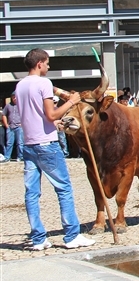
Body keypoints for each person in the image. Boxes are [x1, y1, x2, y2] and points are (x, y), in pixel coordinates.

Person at [15, 48, 95, 250]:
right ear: (39, 63)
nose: (49, 67)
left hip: (29, 144)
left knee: (32, 193)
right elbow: (50, 114)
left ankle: (38, 239)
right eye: (48, 63)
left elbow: (38, 116)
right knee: (64, 189)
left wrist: (56, 123)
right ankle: (71, 236)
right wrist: (71, 102)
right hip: (47, 145)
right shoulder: (44, 83)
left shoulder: (20, 86)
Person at [2, 91, 23, 162]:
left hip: (19, 126)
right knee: (9, 143)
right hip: (10, 127)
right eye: (13, 97)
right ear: (11, 97)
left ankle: (20, 156)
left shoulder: (22, 105)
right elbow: (4, 114)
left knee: (20, 142)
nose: (15, 98)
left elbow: (27, 115)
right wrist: (6, 124)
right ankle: (7, 157)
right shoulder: (8, 105)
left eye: (16, 97)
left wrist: (23, 124)